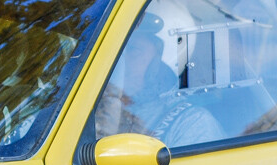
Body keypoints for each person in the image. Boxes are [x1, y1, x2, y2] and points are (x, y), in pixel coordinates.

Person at [94, 12, 224, 147]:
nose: (119, 61)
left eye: (132, 50)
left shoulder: (192, 122)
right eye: (116, 52)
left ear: (160, 57)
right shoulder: (95, 105)